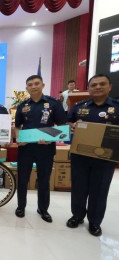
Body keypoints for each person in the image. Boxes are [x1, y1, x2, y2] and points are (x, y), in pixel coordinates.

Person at [66, 74, 119, 236]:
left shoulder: (117, 107)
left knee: (99, 189)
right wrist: (71, 126)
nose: (97, 87)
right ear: (88, 88)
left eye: (102, 84)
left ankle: (95, 222)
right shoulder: (79, 106)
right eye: (93, 85)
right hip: (80, 154)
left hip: (105, 157)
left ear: (109, 87)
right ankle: (77, 215)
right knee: (79, 188)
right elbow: (68, 123)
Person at [14, 75, 67, 222]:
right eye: (30, 84)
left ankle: (43, 209)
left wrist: (50, 138)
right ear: (26, 88)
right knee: (23, 179)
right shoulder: (22, 105)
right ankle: (21, 207)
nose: (33, 86)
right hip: (25, 149)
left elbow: (63, 127)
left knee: (44, 180)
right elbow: (17, 126)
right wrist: (19, 138)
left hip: (46, 149)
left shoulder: (53, 104)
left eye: (36, 83)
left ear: (43, 85)